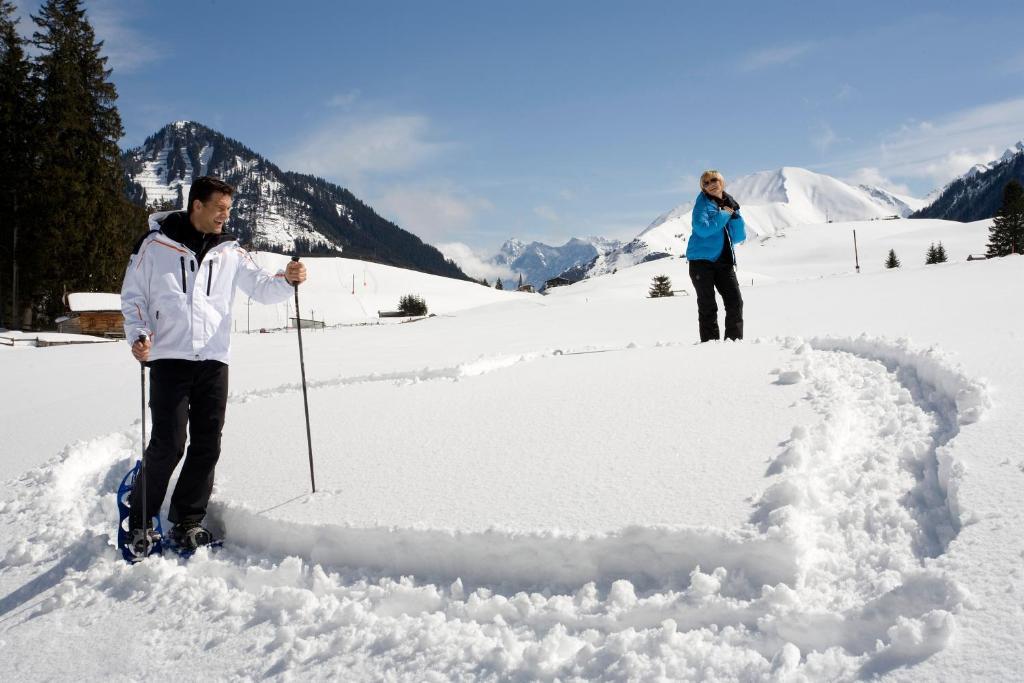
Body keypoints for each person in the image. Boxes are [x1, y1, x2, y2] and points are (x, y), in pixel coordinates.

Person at [120, 175, 307, 556]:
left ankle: (188, 519)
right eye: (219, 208)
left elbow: (262, 288)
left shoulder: (231, 253)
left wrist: (287, 280)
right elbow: (133, 295)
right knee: (169, 444)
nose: (226, 216)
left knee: (207, 444)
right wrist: (139, 334)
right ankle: (139, 518)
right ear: (197, 206)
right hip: (169, 358)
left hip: (214, 361)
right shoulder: (153, 246)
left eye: (229, 209)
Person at [687, 170, 746, 342]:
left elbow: (739, 237)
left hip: (724, 261)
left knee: (735, 302)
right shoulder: (702, 205)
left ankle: (733, 343)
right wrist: (724, 215)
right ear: (703, 188)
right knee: (708, 306)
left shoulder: (729, 203)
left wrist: (734, 216)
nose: (711, 184)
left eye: (714, 180)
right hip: (701, 261)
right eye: (705, 183)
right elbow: (702, 229)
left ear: (721, 182)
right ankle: (710, 346)